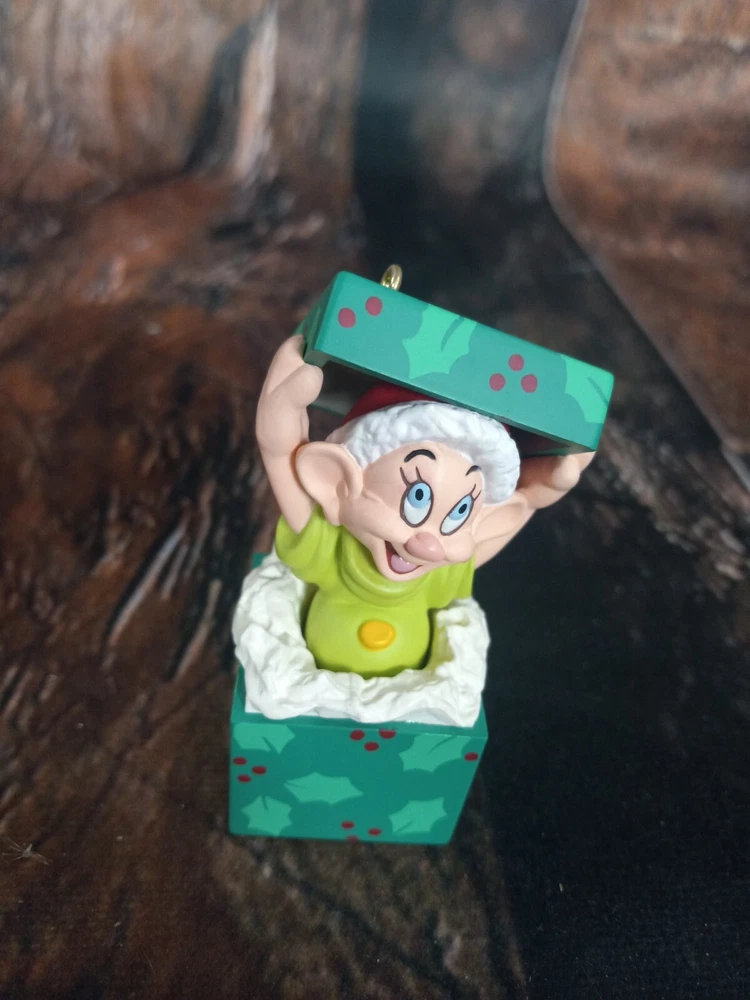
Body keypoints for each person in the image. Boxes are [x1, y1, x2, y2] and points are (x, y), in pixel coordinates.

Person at [256, 335, 593, 677]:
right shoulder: (329, 544)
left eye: (459, 514)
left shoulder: (439, 571)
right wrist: (280, 413)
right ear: (337, 481)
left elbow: (517, 511)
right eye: (416, 499)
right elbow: (282, 455)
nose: (428, 545)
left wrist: (540, 493)